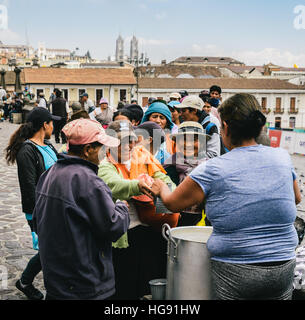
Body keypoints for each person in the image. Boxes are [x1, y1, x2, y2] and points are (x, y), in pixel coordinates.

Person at [150, 93, 302, 300]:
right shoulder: (282, 156)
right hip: (283, 267)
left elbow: (172, 203)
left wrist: (160, 187)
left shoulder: (212, 169)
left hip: (236, 271)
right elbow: (296, 199)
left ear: (226, 128)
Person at [32, 119, 129, 300]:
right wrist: (121, 207)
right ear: (87, 150)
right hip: (85, 284)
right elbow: (113, 227)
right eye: (102, 148)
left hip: (56, 279)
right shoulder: (90, 181)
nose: (105, 153)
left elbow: (38, 222)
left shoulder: (50, 173)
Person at [98, 120, 178, 300]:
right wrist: (138, 185)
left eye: (132, 140)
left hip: (150, 228)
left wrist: (166, 190)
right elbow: (113, 184)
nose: (129, 145)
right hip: (125, 234)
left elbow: (164, 179)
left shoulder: (143, 155)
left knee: (148, 281)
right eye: (122, 141)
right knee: (126, 285)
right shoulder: (105, 164)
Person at [5, 107, 60, 300]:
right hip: (41, 211)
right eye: (52, 122)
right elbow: (29, 189)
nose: (54, 125)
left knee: (50, 249)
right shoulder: (27, 151)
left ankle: (25, 282)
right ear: (45, 125)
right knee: (51, 249)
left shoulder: (49, 146)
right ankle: (27, 282)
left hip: (55, 208)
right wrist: (41, 214)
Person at [163, 122, 209, 227]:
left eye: (195, 139)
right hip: (174, 222)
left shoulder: (209, 168)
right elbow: (163, 204)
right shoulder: (169, 167)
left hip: (203, 224)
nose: (188, 144)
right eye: (183, 139)